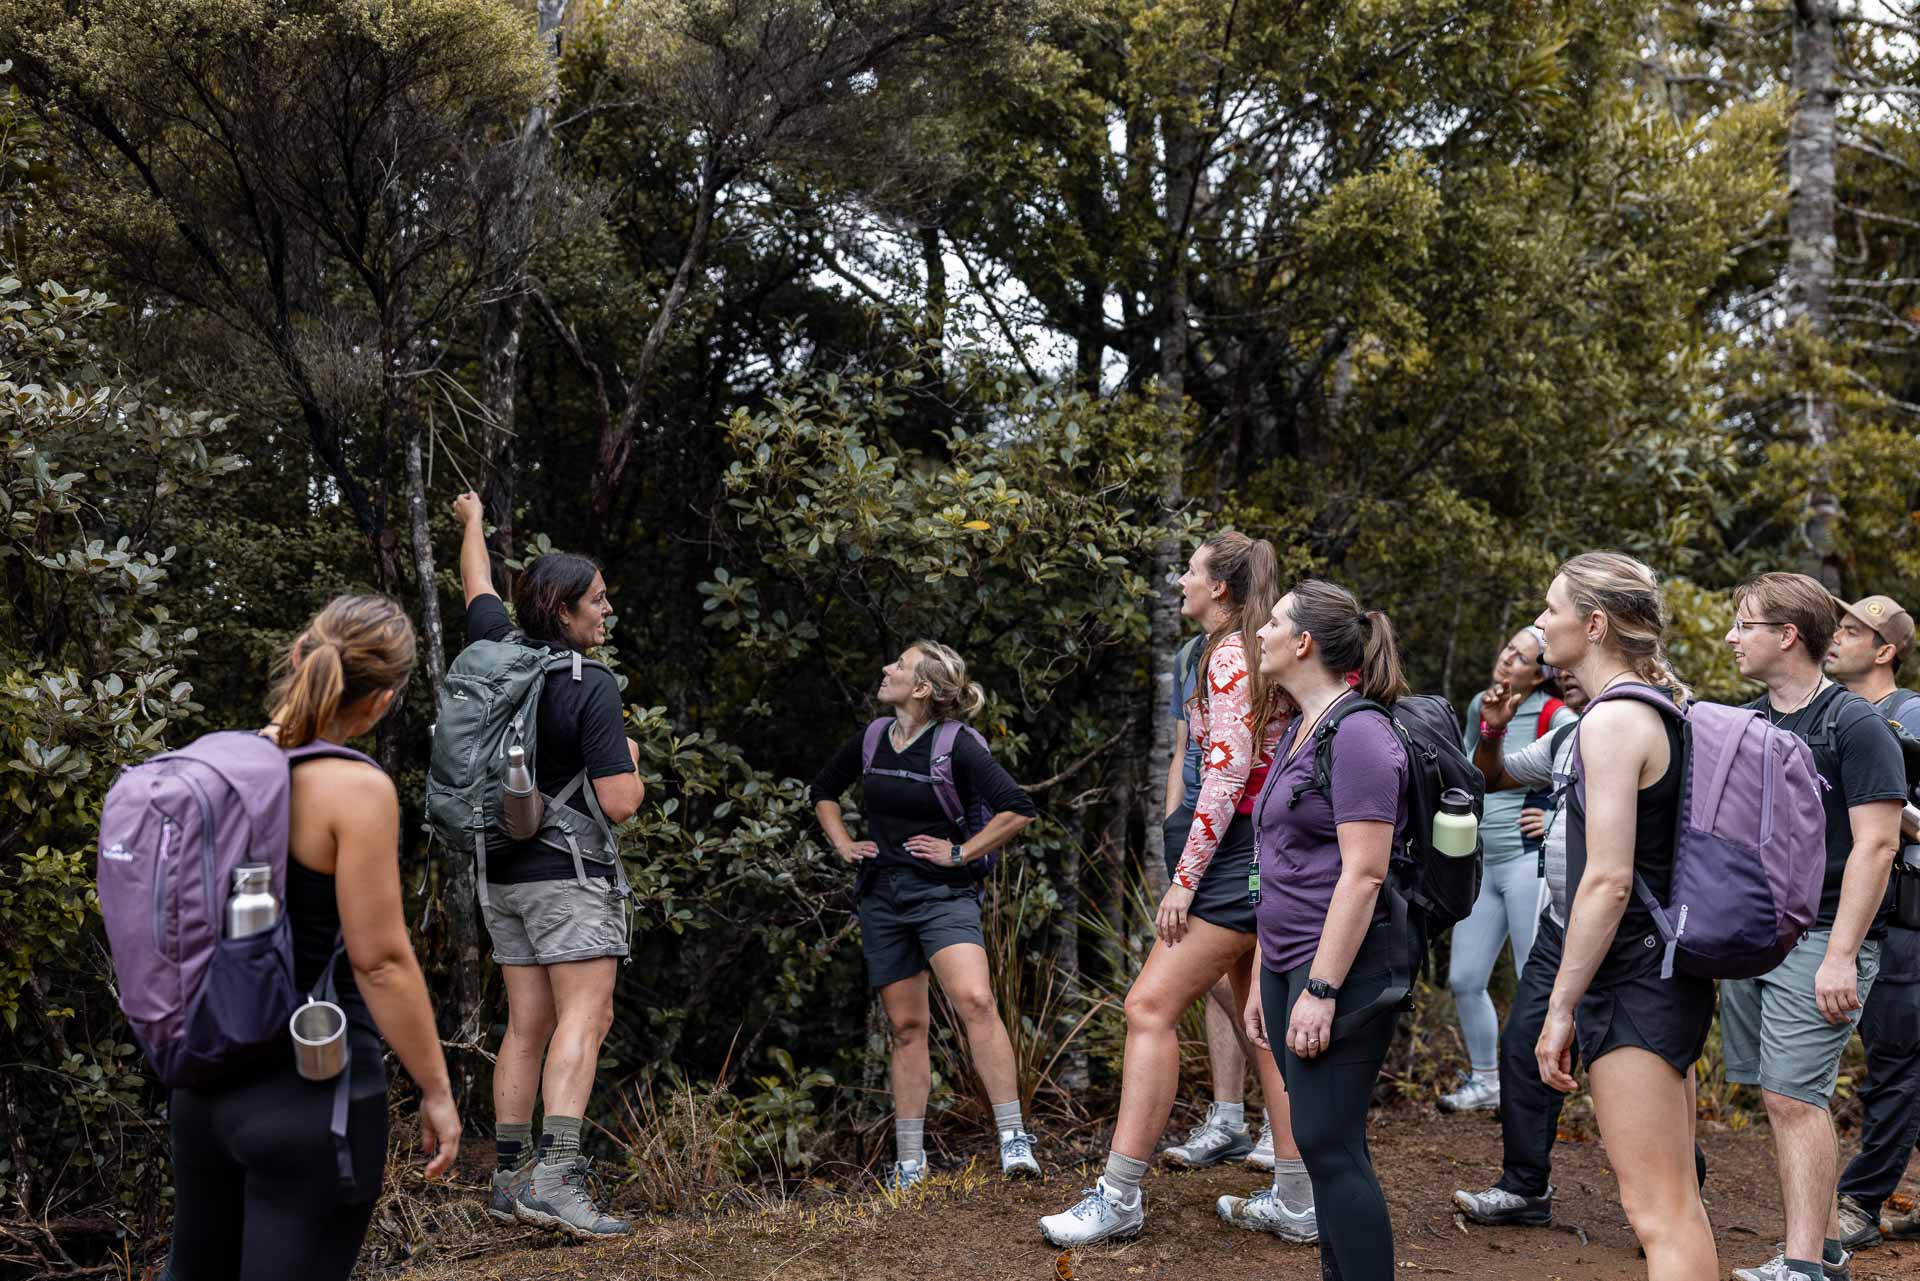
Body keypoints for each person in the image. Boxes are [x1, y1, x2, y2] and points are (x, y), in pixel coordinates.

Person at [166, 596, 461, 1280]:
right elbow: (381, 961)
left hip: (203, 1089)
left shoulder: (211, 768)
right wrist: (436, 1087)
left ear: (298, 656)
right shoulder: (355, 790)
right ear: (384, 701)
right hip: (313, 1091)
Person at [1040, 533, 1311, 1247]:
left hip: (1234, 855)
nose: (1180, 582)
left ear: (1219, 586)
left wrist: (1184, 879)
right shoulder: (1251, 647)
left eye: (1189, 571)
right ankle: (1298, 1196)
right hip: (1264, 849)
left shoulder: (1227, 655)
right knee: (1264, 1027)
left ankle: (1120, 1193)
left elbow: (1225, 774)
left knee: (1148, 1006)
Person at [452, 492, 643, 1239]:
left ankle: (509, 1176)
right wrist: (633, 759)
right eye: (596, 600)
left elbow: (479, 588)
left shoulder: (497, 650)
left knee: (527, 1021)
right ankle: (558, 1178)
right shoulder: (586, 684)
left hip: (500, 876)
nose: (606, 610)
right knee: (585, 1016)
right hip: (569, 877)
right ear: (563, 610)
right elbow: (620, 801)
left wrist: (471, 523)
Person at [1534, 551, 1717, 1281]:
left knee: (1658, 1212)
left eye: (1553, 608)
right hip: (1664, 973)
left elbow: (1607, 881)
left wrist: (1560, 1005)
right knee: (1678, 1205)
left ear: (1596, 623)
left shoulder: (1613, 722)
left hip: (1634, 981)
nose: (1542, 621)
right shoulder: (1660, 705)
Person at [1721, 573, 1905, 1281]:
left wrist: (1841, 956)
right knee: (1781, 1094)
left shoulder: (1855, 723)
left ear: (1787, 635)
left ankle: (1802, 1267)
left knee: (1793, 1097)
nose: (1733, 638)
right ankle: (1825, 1250)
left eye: (1746, 625)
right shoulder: (1749, 721)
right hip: (1758, 936)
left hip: (1824, 934)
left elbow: (1878, 845)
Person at [811, 641, 1039, 1188]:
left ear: (921, 689)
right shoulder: (872, 738)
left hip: (943, 894)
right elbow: (823, 790)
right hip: (883, 897)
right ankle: (909, 1164)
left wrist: (961, 852)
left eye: (899, 666)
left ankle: (1013, 1139)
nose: (886, 669)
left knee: (976, 1001)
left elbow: (1018, 808)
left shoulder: (954, 744)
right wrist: (844, 842)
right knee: (907, 1027)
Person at [1240, 578, 1410, 1281]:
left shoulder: (1362, 733)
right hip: (1286, 963)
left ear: (1303, 642)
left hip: (1340, 970)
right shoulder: (1303, 728)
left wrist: (1320, 984)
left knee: (1329, 1145)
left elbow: (1365, 874)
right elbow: (1276, 862)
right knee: (1323, 1143)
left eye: (1272, 623)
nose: (1260, 633)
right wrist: (1261, 976)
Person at [1445, 626, 1576, 1114]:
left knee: (1531, 978)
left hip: (1528, 863)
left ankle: (1532, 1086)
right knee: (1464, 977)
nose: (1506, 661)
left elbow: (1583, 785)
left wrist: (1554, 817)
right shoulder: (1483, 704)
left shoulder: (1556, 714)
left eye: (1521, 658)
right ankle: (1486, 1080)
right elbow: (1469, 774)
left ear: (1541, 675)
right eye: (1507, 650)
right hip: (1484, 860)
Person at [1161, 630, 1277, 1172]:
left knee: (1249, 980)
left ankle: (1284, 1122)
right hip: (1194, 822)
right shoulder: (1192, 652)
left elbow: (1232, 765)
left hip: (1238, 831)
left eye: (1192, 572)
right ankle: (1229, 1119)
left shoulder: (1251, 649)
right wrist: (1173, 821)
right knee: (1218, 981)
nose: (1181, 582)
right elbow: (1185, 744)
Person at [1826, 593, 1920, 1249]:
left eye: (1852, 630)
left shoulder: (1909, 714)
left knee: (1894, 1061)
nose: (1835, 637)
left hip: (1906, 916)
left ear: (1884, 649)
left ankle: (1858, 1200)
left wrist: (1883, 804)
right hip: (1852, 913)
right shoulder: (1834, 711)